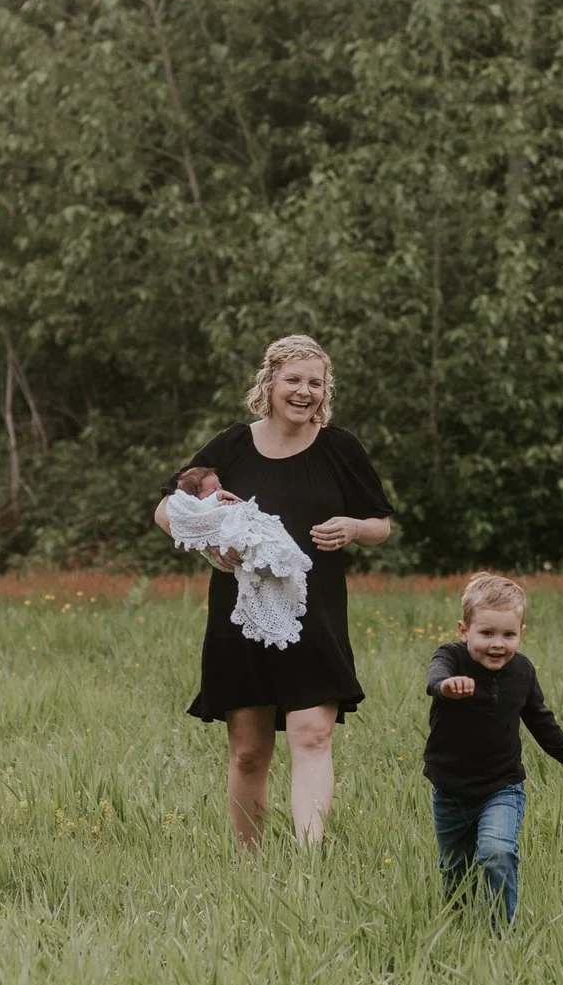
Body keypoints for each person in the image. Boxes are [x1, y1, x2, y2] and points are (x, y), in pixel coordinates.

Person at [155, 335, 393, 849]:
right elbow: (168, 509)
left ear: (324, 390)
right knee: (247, 750)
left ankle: (308, 861)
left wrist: (353, 527)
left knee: (313, 733)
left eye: (315, 382)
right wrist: (211, 547)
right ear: (270, 383)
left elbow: (381, 525)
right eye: (294, 380)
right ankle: (252, 867)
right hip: (241, 615)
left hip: (316, 611)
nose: (304, 391)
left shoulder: (340, 447)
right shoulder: (233, 444)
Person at [424, 572, 563, 924]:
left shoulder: (523, 671)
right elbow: (435, 675)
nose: (497, 644)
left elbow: (540, 721)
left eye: (508, 635)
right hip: (449, 789)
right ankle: (459, 924)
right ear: (464, 631)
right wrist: (446, 686)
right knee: (455, 870)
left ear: (521, 633)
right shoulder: (451, 658)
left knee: (497, 851)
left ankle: (501, 929)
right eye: (486, 633)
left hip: (502, 787)